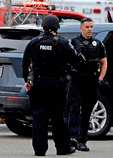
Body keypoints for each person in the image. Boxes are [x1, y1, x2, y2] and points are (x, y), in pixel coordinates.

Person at [22, 15, 77, 156]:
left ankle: (39, 150)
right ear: (57, 28)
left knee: (39, 119)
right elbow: (75, 61)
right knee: (59, 118)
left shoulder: (33, 42)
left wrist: (27, 81)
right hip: (57, 86)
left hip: (38, 86)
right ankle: (63, 148)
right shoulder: (63, 43)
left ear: (43, 28)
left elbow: (25, 63)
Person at [67, 17, 107, 152]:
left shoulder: (98, 43)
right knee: (74, 109)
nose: (90, 29)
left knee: (87, 112)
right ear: (81, 28)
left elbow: (104, 63)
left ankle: (82, 141)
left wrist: (100, 79)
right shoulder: (73, 42)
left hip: (91, 80)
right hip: (76, 79)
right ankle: (72, 137)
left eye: (91, 27)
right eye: (87, 27)